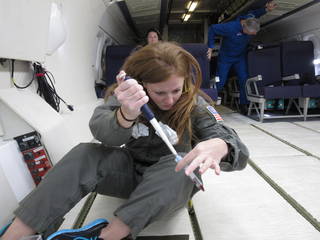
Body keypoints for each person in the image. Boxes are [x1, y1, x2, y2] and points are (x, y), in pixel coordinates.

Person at [1, 42, 249, 240]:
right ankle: (20, 231)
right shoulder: (127, 97)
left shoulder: (194, 104)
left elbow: (233, 144)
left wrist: (221, 145)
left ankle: (107, 236)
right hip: (131, 174)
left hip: (170, 183)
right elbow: (103, 133)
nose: (170, 99)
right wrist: (126, 115)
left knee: (182, 164)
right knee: (85, 153)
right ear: (142, 84)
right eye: (160, 92)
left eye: (176, 90)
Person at [207, 1, 277, 114]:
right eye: (251, 33)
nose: (253, 34)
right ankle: (208, 103)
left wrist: (266, 9)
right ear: (244, 27)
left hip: (240, 58)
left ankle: (243, 104)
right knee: (220, 82)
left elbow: (255, 13)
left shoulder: (250, 18)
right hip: (225, 58)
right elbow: (212, 29)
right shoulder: (230, 27)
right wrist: (210, 47)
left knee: (244, 80)